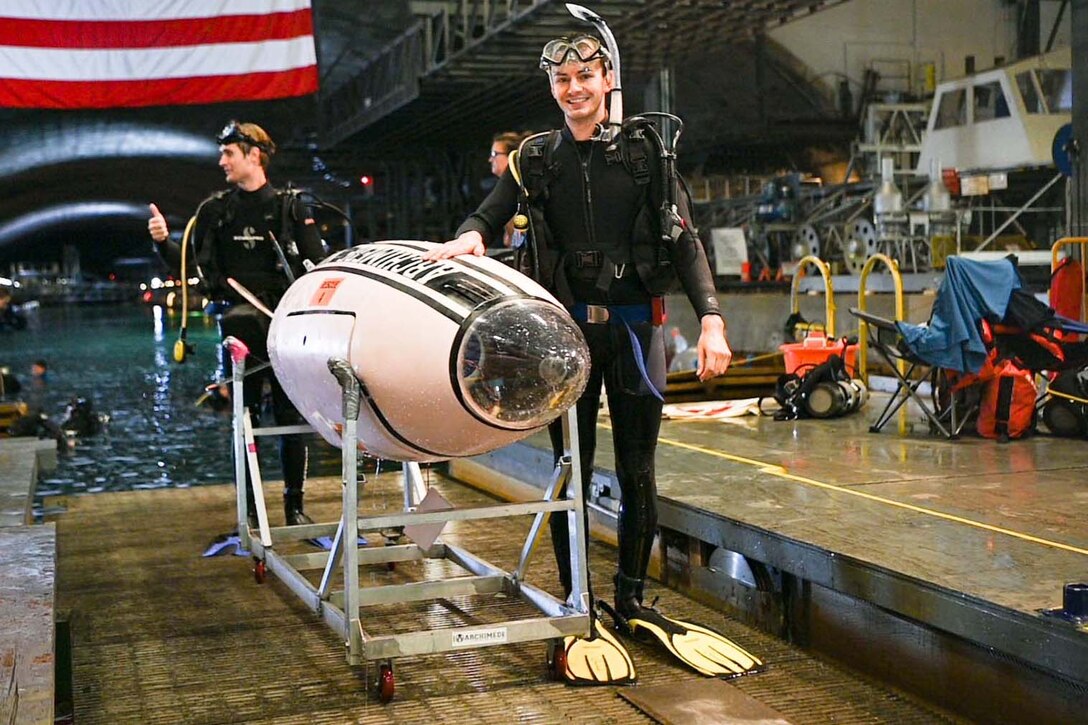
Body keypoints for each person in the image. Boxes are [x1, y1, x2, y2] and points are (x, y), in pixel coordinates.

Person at [425, 32, 758, 682]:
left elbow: (685, 242)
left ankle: (631, 597)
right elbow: (487, 214)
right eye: (561, 80)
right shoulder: (535, 159)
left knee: (638, 469)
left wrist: (712, 320)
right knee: (568, 470)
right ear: (551, 88)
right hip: (565, 340)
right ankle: (580, 599)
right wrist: (469, 237)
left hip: (638, 331)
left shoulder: (645, 153)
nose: (574, 89)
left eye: (585, 75)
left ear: (608, 79)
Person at [148, 121, 325, 528]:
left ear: (254, 155)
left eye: (229, 153)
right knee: (243, 421)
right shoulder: (215, 212)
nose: (221, 161)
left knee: (289, 418)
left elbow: (317, 266)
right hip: (237, 331)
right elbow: (185, 262)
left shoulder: (291, 207)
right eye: (222, 153)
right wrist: (161, 241)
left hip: (284, 326)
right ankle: (249, 510)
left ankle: (293, 507)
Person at [488, 131, 527, 248]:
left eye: (494, 154)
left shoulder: (523, 190)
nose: (490, 159)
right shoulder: (503, 191)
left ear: (511, 156)